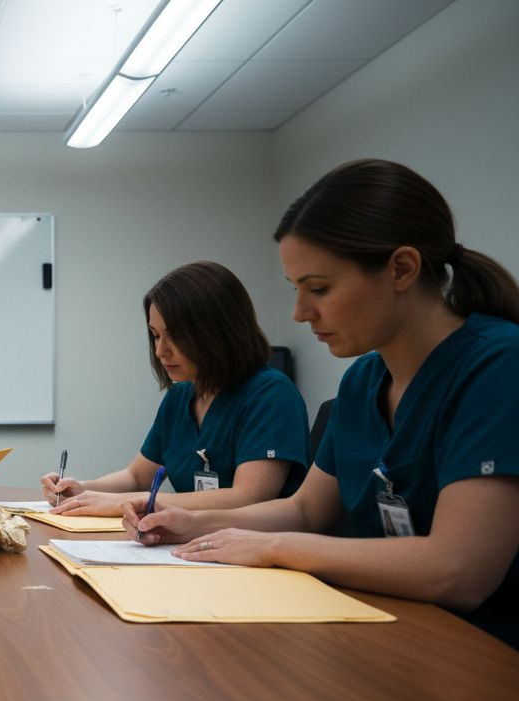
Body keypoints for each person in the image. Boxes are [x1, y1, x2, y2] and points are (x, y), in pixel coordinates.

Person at [126, 159, 519, 647]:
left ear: (401, 268)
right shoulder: (362, 381)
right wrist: (193, 523)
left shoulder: (499, 365)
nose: (300, 313)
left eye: (319, 289)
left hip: (484, 655)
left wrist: (275, 547)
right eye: (296, 290)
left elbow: (459, 569)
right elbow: (306, 510)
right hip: (386, 629)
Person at [40, 261, 309, 516]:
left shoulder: (271, 394)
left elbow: (248, 498)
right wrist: (83, 489)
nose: (160, 351)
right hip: (194, 545)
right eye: (155, 335)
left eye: (176, 336)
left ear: (219, 330)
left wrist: (129, 502)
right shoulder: (180, 396)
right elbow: (137, 476)